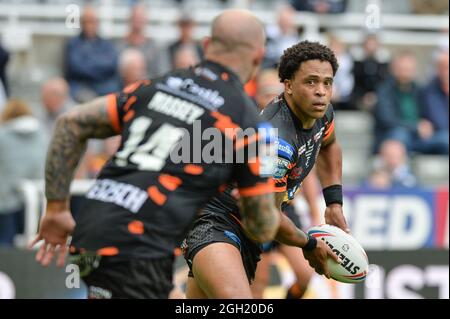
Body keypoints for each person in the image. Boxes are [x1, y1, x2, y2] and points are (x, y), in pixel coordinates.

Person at [29, 9, 281, 299]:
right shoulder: (249, 124)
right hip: (138, 247)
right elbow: (261, 228)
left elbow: (70, 124)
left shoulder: (154, 86)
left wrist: (57, 208)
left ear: (207, 44)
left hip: (92, 229)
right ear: (258, 57)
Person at [182, 41, 347, 299]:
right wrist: (310, 244)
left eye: (327, 82)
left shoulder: (322, 114)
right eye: (311, 82)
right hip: (217, 218)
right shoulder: (275, 140)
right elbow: (268, 213)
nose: (321, 92)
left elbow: (329, 145)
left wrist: (333, 201)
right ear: (289, 85)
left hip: (253, 225)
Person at [0, 99, 46, 246]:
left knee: (5, 241)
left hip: (5, 198)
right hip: (36, 196)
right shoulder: (42, 134)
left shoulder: (2, 135)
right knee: (32, 241)